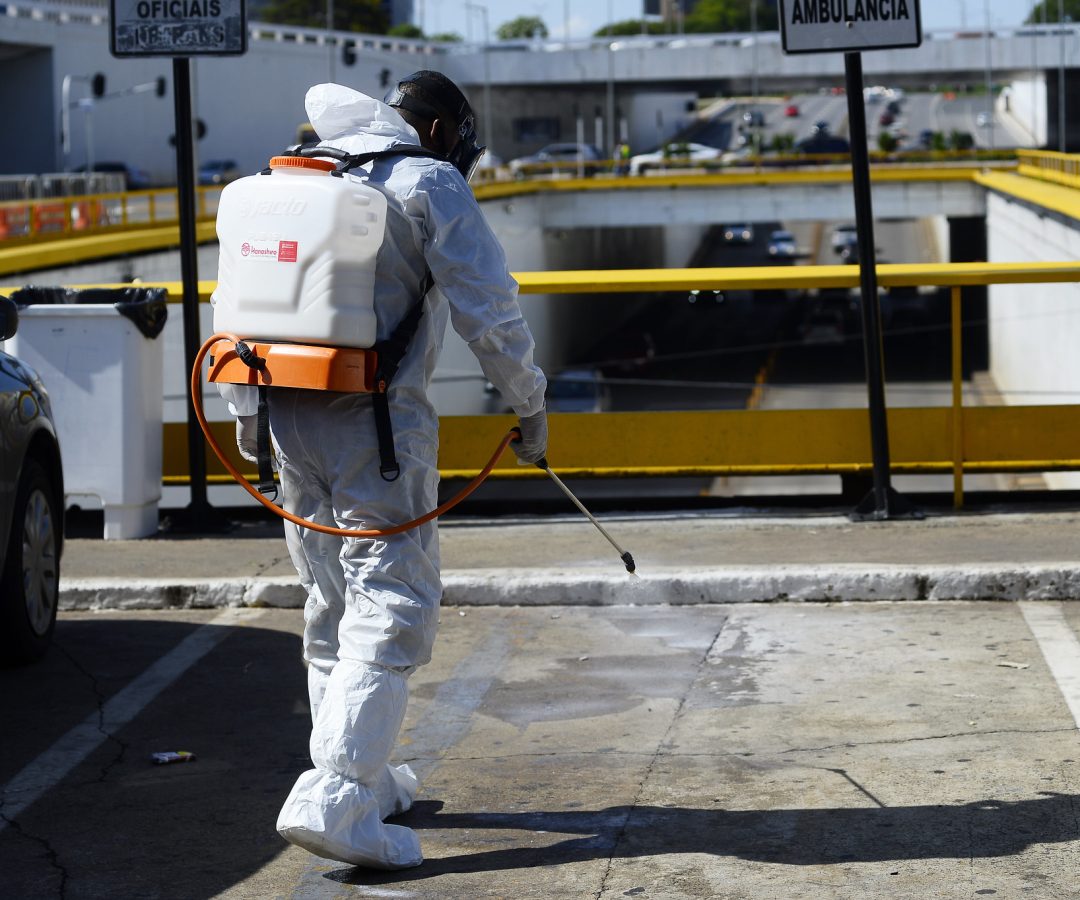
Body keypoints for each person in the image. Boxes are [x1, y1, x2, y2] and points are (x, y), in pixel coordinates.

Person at [239, 73, 548, 869]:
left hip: (284, 415)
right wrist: (530, 406)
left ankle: (366, 780)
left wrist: (246, 418)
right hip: (375, 428)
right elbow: (491, 308)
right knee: (393, 598)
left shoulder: (299, 175)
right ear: (441, 128)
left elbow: (244, 302)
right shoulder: (426, 180)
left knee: (331, 600)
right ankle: (337, 793)